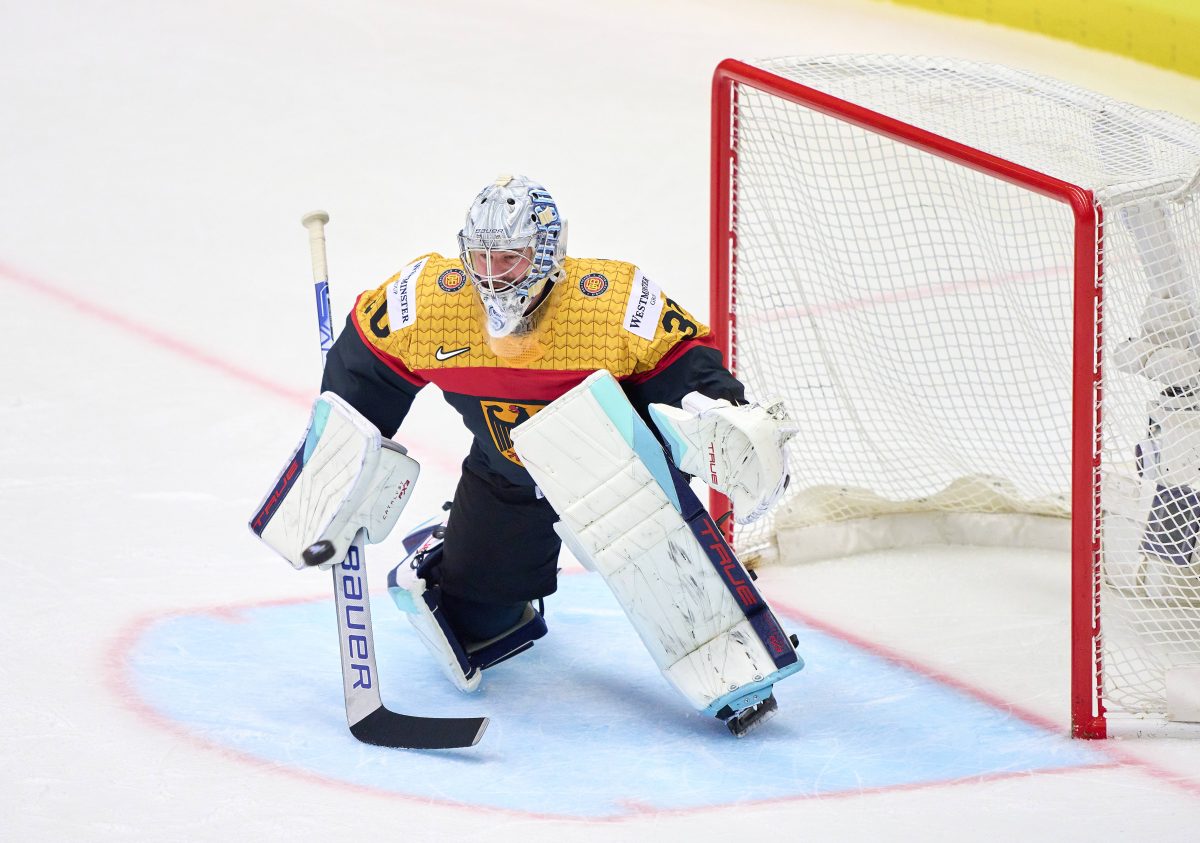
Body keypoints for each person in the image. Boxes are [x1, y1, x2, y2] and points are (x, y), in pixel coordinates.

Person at [319, 174, 793, 694]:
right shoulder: (432, 303)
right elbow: (361, 370)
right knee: (479, 627)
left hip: (616, 475)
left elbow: (685, 367)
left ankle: (733, 671)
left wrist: (724, 414)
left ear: (547, 252)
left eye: (510, 258)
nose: (493, 275)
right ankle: (446, 548)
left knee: (707, 632)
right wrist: (344, 463)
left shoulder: (608, 304)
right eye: (481, 257)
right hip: (509, 476)